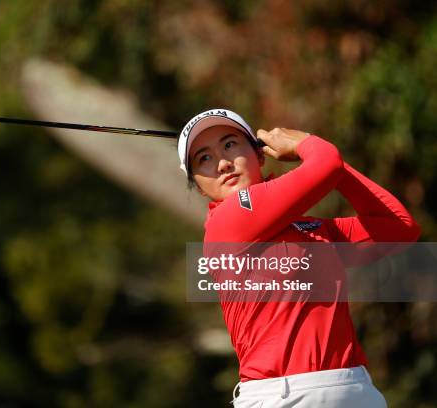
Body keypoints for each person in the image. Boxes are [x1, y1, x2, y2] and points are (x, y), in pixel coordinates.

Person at [177, 109, 421, 407]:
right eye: (204, 159)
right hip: (282, 396)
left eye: (230, 144)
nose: (223, 163)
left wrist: (335, 166)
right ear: (200, 189)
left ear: (260, 155)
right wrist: (306, 144)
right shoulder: (228, 219)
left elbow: (398, 227)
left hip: (354, 387)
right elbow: (325, 163)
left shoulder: (314, 230)